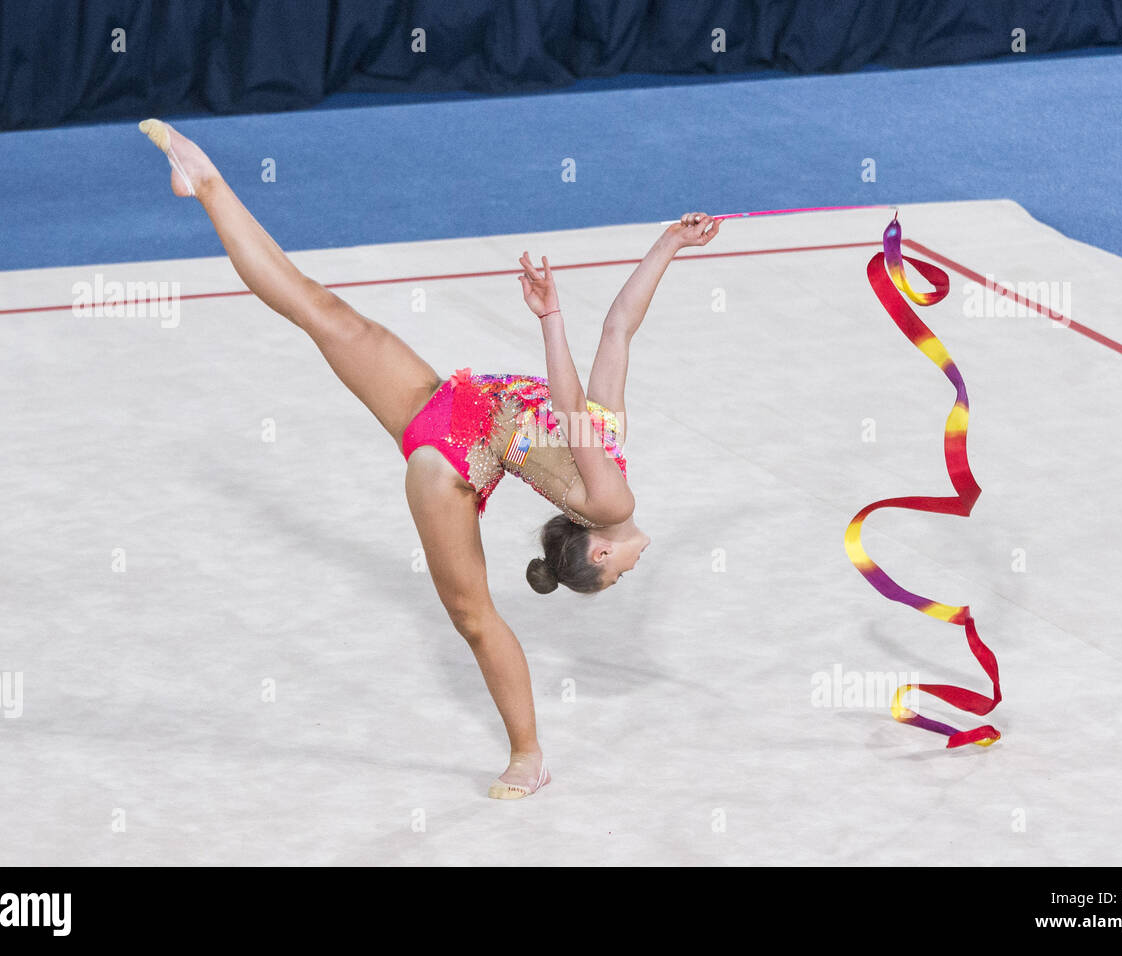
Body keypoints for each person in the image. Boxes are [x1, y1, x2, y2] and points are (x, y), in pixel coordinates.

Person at [138, 119, 720, 798]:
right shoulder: (612, 459)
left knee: (474, 617)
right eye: (621, 577)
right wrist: (671, 243)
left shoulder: (609, 499)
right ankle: (207, 183)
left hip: (452, 457)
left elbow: (565, 406)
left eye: (617, 577)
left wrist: (550, 317)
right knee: (317, 308)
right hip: (447, 413)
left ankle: (527, 756)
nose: (631, 569)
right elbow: (620, 327)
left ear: (596, 551)